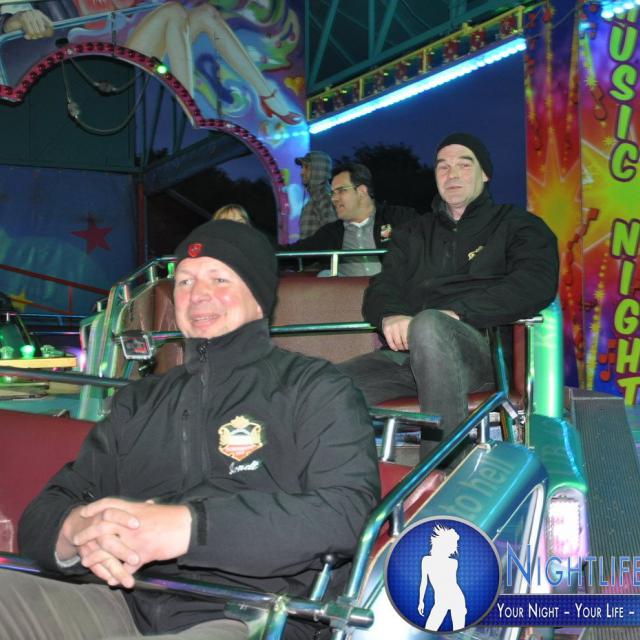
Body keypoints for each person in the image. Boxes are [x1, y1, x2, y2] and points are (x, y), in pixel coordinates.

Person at [1, 220, 380, 639]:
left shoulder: (314, 388)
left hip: (249, 614)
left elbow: (345, 513)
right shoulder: (138, 401)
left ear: (259, 298)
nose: (197, 294)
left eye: (219, 278)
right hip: (125, 602)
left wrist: (189, 528)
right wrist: (74, 532)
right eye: (184, 281)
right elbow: (50, 507)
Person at [340, 133, 559, 457]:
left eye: (463, 165)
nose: (452, 174)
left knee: (430, 325)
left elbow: (535, 282)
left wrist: (458, 314)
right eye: (443, 167)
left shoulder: (518, 225)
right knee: (321, 384)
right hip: (409, 359)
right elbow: (382, 285)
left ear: (485, 173)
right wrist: (390, 315)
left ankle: (441, 468)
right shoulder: (413, 233)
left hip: (482, 354)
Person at [282, 163, 419, 276]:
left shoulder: (399, 218)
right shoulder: (332, 233)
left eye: (341, 190)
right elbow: (292, 253)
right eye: (332, 193)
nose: (334, 198)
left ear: (362, 191)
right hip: (348, 298)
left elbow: (428, 239)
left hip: (396, 294)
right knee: (326, 275)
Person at [295, 150, 336, 238]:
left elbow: (333, 236)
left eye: (306, 167)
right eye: (302, 167)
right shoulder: (316, 196)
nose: (301, 173)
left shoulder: (324, 197)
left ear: (318, 170)